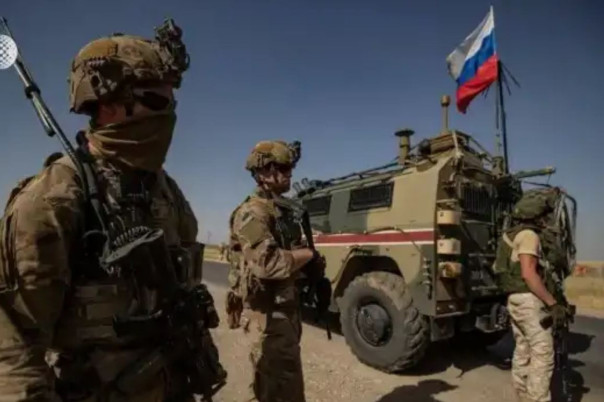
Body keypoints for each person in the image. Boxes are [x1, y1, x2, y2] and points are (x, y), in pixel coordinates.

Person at [0, 22, 223, 401]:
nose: (169, 113)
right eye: (156, 100)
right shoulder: (55, 199)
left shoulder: (166, 191)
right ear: (108, 106)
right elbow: (13, 349)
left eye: (172, 102)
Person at [227, 140, 325, 402]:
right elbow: (267, 263)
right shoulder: (252, 212)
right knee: (282, 389)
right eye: (282, 168)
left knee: (278, 386)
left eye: (290, 167)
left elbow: (286, 255)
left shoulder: (280, 210)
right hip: (268, 315)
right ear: (263, 173)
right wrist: (308, 255)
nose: (289, 173)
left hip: (284, 310)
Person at [494, 188, 574, 402]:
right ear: (538, 216)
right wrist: (552, 303)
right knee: (542, 353)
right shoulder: (529, 236)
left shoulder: (512, 234)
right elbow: (529, 274)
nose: (549, 220)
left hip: (516, 299)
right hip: (529, 300)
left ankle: (522, 395)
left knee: (523, 350)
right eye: (547, 215)